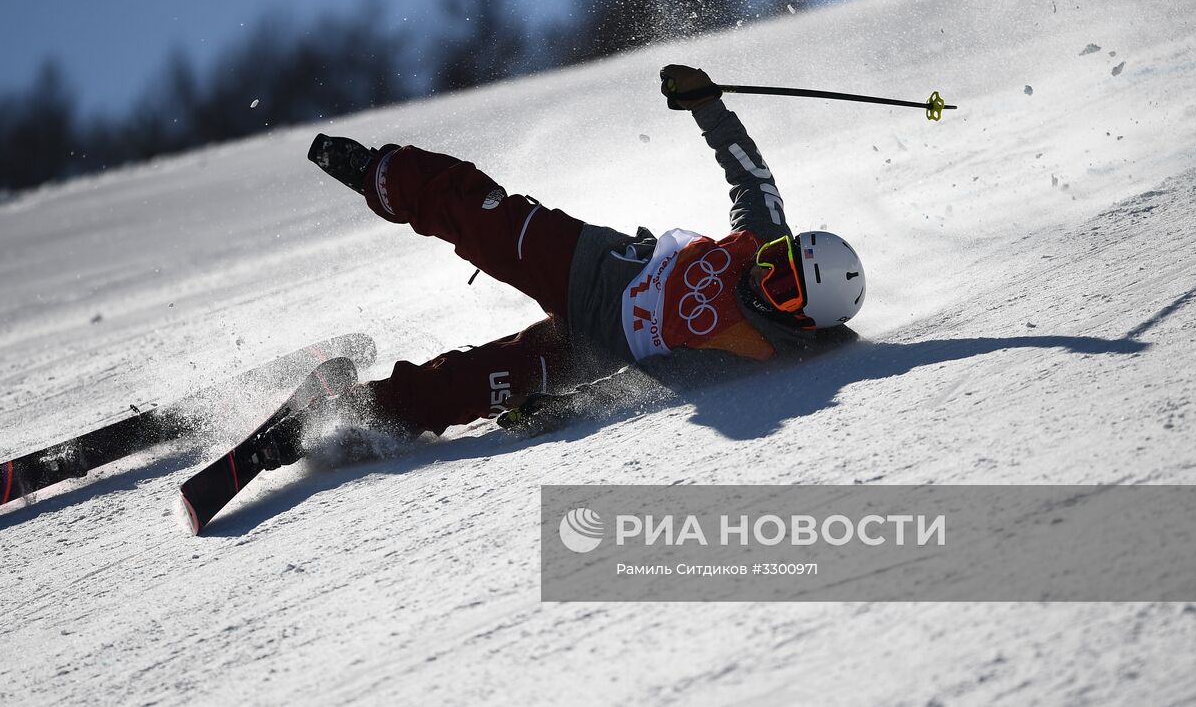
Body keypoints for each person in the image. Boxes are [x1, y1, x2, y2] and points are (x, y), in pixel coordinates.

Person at [299, 64, 865, 443]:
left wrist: (562, 408)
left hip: (589, 350)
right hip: (591, 267)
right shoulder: (760, 237)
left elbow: (646, 383)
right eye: (778, 263)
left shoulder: (745, 348)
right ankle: (377, 172)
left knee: (473, 383)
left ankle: (348, 420)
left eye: (784, 291)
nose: (766, 278)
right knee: (485, 216)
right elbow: (750, 173)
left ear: (805, 321)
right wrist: (707, 106)